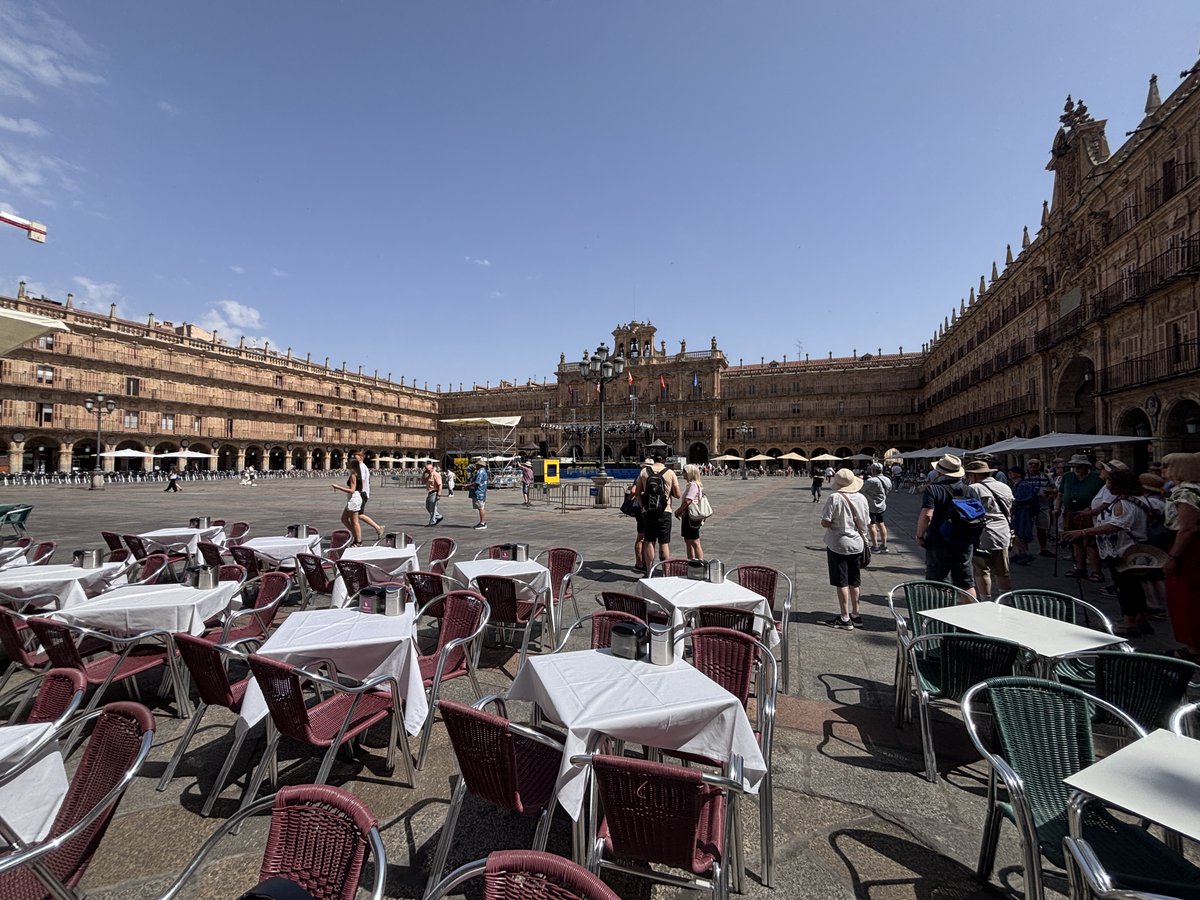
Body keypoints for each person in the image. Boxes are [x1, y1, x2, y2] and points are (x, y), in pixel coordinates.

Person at [1062, 467, 1151, 638]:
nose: (1106, 484)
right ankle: (1141, 618)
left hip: (1122, 550)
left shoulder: (1123, 503)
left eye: (1109, 481)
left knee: (1125, 587)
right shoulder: (1138, 499)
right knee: (1134, 587)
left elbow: (1115, 525)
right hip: (1134, 549)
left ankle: (1128, 622)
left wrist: (1082, 532)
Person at [914, 454, 977, 598]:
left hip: (939, 540)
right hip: (964, 540)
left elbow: (927, 514)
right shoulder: (970, 490)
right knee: (966, 582)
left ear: (940, 472)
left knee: (938, 581)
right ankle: (973, 614)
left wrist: (919, 535)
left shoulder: (934, 489)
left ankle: (940, 616)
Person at [820, 468, 870, 629]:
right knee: (855, 581)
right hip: (857, 544)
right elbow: (867, 521)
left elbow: (825, 522)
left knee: (841, 581)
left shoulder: (835, 497)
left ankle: (844, 617)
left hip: (838, 544)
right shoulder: (862, 498)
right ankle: (856, 615)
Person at [1162, 452, 1200, 661]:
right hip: (1190, 547)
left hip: (1187, 549)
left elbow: (1187, 529)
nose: (1163, 471)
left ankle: (1194, 647)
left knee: (1186, 597)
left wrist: (1174, 556)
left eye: (1166, 466)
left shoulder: (1186, 493)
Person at [966, 459, 1013, 601]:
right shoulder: (1005, 487)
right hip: (1003, 532)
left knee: (982, 571)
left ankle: (986, 601)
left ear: (973, 475)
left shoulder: (973, 488)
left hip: (983, 534)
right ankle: (1005, 602)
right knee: (1003, 571)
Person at [1056, 454, 1103, 581]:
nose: (1076, 469)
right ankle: (1080, 568)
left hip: (1088, 513)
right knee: (1075, 542)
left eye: (1080, 466)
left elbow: (1102, 496)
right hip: (1070, 512)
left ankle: (1097, 571)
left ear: (1087, 466)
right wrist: (1056, 508)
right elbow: (1060, 494)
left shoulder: (1097, 477)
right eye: (1074, 466)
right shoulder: (1067, 477)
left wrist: (1090, 508)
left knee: (1090, 543)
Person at [631, 452, 681, 573]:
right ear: (665, 460)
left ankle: (649, 571)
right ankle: (666, 572)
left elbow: (636, 492)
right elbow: (678, 495)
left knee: (649, 541)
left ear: (653, 460)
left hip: (648, 512)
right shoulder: (670, 473)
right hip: (665, 511)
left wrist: (643, 506)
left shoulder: (644, 472)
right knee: (664, 543)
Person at [1023, 458, 1054, 557]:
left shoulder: (1046, 477)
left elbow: (1054, 488)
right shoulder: (1024, 477)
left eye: (1036, 464)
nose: (1033, 466)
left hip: (1043, 505)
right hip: (1028, 506)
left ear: (1039, 466)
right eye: (1031, 464)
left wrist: (1050, 493)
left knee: (1042, 528)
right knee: (1026, 529)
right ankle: (1025, 551)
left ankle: (1043, 548)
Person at [859, 463, 892, 552]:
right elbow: (889, 490)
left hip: (871, 506)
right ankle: (884, 545)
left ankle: (875, 546)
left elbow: (860, 490)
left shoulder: (872, 481)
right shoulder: (887, 479)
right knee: (881, 524)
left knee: (872, 525)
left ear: (873, 470)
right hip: (882, 505)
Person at [675, 464, 706, 560]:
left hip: (690, 516)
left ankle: (699, 563)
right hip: (689, 516)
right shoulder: (694, 484)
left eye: (685, 472)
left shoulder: (693, 485)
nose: (683, 473)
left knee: (694, 541)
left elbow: (688, 500)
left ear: (690, 473)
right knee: (689, 540)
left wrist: (678, 510)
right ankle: (691, 562)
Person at [1008, 466, 1036, 564]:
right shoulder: (1016, 484)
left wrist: (1014, 503)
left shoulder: (1023, 485)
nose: (1010, 474)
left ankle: (1025, 553)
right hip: (1018, 510)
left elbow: (1026, 499)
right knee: (1016, 533)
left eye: (1012, 472)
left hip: (1022, 511)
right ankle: (1019, 553)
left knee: (1020, 532)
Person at [354, 449, 384, 539]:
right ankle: (356, 535)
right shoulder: (361, 466)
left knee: (358, 515)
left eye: (356, 457)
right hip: (362, 493)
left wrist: (358, 491)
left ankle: (377, 528)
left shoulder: (361, 467)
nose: (354, 459)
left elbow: (362, 481)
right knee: (351, 516)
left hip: (361, 493)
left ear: (361, 458)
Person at [332, 464, 365, 546]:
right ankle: (355, 536)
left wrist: (338, 487)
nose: (346, 466)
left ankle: (358, 541)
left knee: (355, 522)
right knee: (344, 519)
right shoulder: (358, 474)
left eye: (348, 464)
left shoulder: (353, 475)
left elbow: (352, 490)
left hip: (354, 499)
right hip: (354, 498)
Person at [422, 461, 443, 526]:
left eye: (428, 470)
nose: (427, 471)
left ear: (432, 468)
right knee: (427, 506)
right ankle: (438, 516)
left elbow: (440, 485)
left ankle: (433, 521)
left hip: (434, 492)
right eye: (426, 470)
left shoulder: (436, 475)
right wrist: (423, 473)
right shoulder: (429, 475)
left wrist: (439, 494)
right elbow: (423, 482)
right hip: (430, 492)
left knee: (433, 507)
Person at [469, 461, 489, 529]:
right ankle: (482, 522)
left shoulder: (480, 472)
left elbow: (477, 483)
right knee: (481, 507)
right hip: (482, 493)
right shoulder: (484, 472)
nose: (475, 466)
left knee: (481, 508)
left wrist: (467, 485)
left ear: (480, 465)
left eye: (476, 465)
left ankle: (482, 523)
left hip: (479, 492)